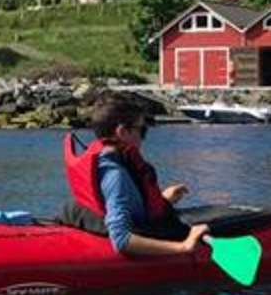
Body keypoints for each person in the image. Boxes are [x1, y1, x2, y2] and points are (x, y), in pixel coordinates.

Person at [62, 94, 210, 257]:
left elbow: (117, 200)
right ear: (122, 132)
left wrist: (163, 200)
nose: (143, 136)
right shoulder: (115, 175)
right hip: (142, 234)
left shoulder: (106, 160)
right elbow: (121, 240)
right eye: (141, 129)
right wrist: (184, 247)